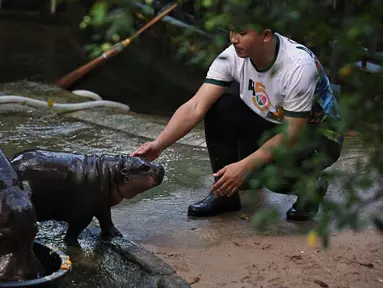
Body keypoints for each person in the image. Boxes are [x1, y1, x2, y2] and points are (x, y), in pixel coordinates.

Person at [131, 10, 344, 221]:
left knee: (270, 175)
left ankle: (311, 186)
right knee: (221, 107)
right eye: (232, 31)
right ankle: (225, 196)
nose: (233, 39)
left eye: (242, 33)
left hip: (319, 137)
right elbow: (196, 105)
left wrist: (244, 166)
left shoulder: (298, 65)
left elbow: (291, 135)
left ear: (266, 35)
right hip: (273, 121)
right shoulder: (232, 56)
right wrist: (158, 144)